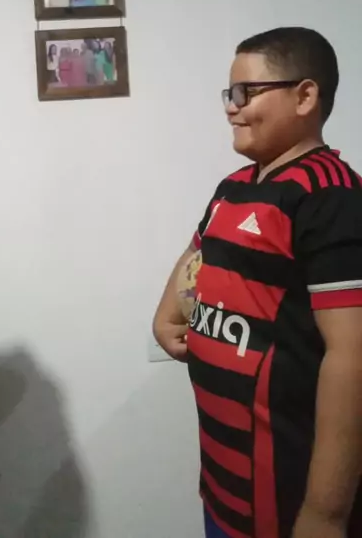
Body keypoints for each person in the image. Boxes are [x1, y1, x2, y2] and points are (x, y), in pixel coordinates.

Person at [153, 27, 362, 538]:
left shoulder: (329, 197)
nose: (232, 107)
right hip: (225, 484)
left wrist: (326, 512)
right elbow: (196, 255)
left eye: (247, 92)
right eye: (230, 93)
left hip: (288, 496)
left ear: (305, 96)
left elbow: (353, 357)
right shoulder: (234, 187)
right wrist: (166, 317)